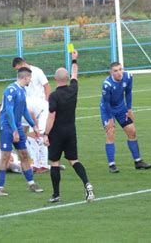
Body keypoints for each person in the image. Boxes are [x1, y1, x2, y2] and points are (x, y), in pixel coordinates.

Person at [42, 49, 95, 203]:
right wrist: (74, 60)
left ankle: (56, 194)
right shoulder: (73, 89)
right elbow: (75, 75)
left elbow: (51, 116)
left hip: (57, 133)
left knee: (55, 162)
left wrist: (46, 134)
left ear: (55, 79)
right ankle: (87, 183)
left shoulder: (54, 96)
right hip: (71, 131)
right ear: (67, 79)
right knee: (74, 160)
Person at [0, 67, 44, 196]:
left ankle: (31, 183)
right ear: (25, 77)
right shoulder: (10, 90)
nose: (31, 80)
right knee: (5, 156)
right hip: (6, 127)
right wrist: (15, 131)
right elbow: (9, 112)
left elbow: (24, 110)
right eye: (30, 78)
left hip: (16, 126)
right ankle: (0, 188)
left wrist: (33, 125)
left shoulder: (22, 90)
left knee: (23, 154)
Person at [100, 62, 151, 173]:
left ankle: (138, 161)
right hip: (107, 110)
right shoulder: (107, 85)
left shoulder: (128, 77)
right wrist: (110, 119)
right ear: (111, 72)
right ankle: (112, 165)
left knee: (132, 131)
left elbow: (128, 92)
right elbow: (107, 103)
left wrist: (129, 109)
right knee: (110, 133)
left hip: (121, 108)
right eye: (115, 71)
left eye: (120, 69)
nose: (119, 72)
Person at [0, 98, 51, 173]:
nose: (1, 116)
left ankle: (43, 166)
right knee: (28, 139)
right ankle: (35, 164)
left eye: (0, 113)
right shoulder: (10, 114)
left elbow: (30, 112)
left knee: (38, 138)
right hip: (36, 114)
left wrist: (36, 128)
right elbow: (23, 129)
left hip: (43, 111)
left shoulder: (12, 107)